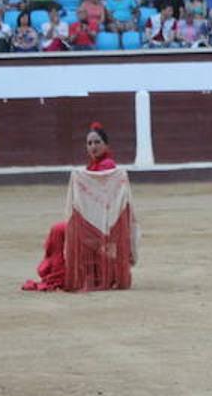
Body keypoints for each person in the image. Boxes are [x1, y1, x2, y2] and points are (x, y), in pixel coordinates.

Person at [22, 122, 137, 292]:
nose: (93, 146)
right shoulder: (93, 168)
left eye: (97, 142)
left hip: (100, 226)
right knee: (59, 229)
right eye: (89, 143)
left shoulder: (106, 167)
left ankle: (65, 274)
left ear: (106, 145)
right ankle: (70, 272)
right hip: (97, 224)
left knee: (58, 230)